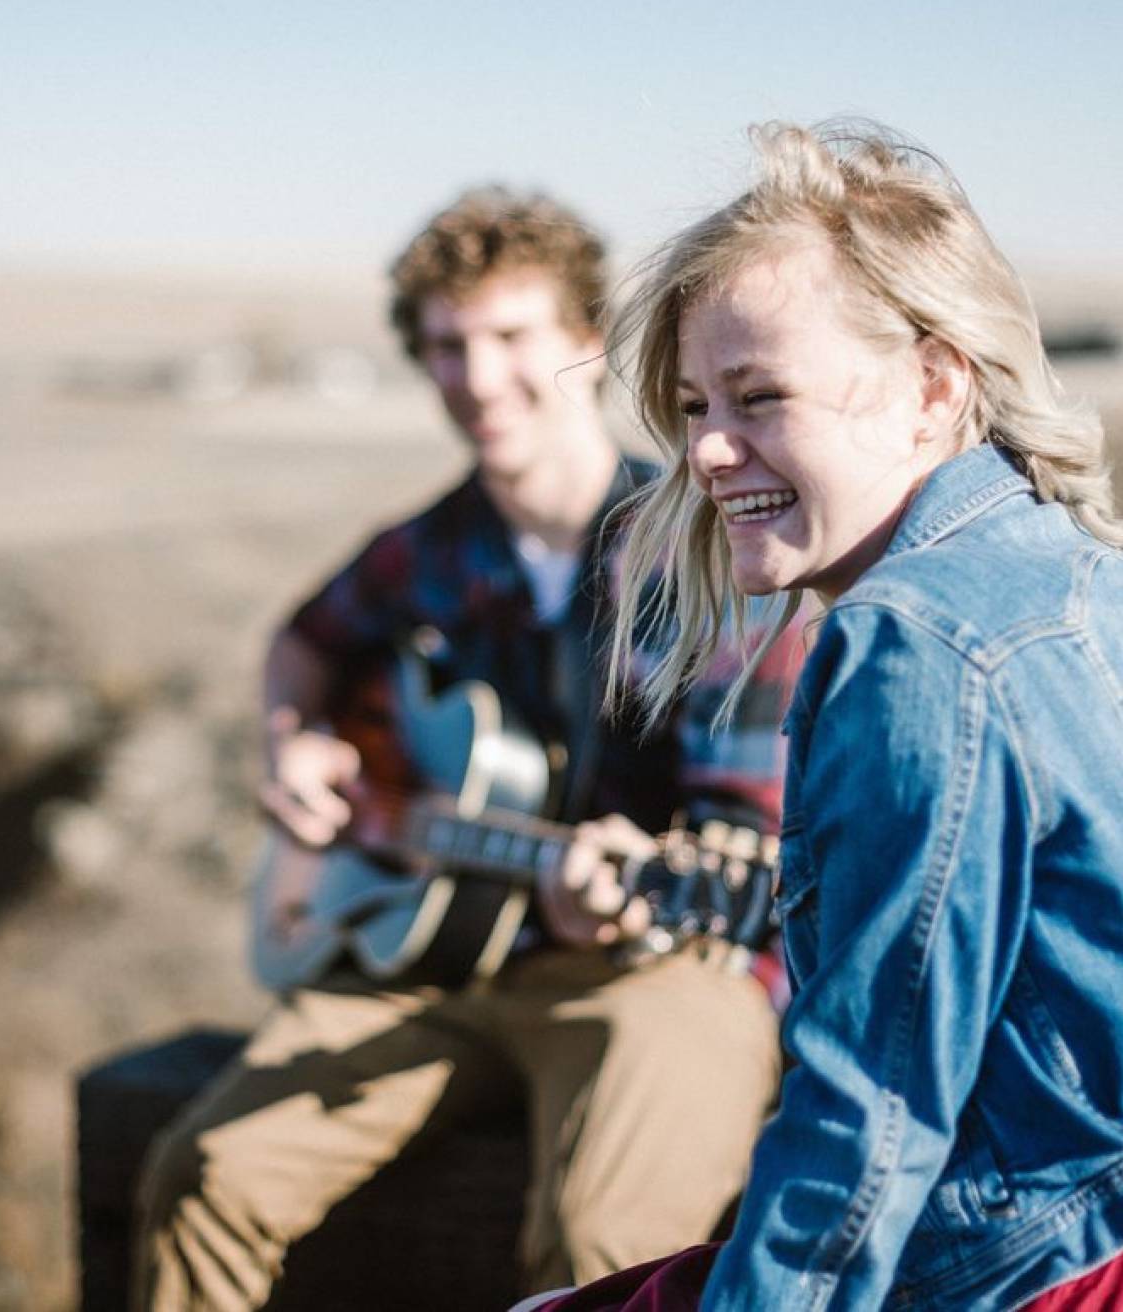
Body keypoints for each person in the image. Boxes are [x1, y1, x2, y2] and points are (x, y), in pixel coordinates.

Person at [133, 185, 805, 1309]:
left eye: (510, 337)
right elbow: (301, 647)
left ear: (588, 342)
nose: (477, 376)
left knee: (609, 1248)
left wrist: (622, 888)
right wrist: (291, 746)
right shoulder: (424, 550)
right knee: (201, 1174)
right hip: (436, 958)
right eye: (447, 346)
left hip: (652, 964)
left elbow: (738, 836)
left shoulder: (704, 552)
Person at [522, 122, 1123, 1310]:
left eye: (760, 396)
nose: (705, 451)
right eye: (693, 405)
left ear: (934, 386)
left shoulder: (908, 638)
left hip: (1023, 1270)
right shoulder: (1078, 571)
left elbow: (871, 1116)